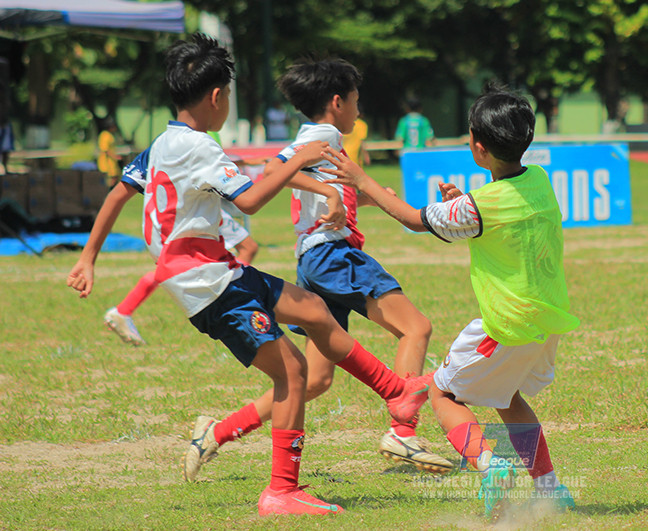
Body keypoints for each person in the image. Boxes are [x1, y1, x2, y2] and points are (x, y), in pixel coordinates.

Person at [90, 34, 431, 516]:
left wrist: (87, 259)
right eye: (228, 94)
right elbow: (249, 199)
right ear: (216, 97)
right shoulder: (203, 150)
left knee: (313, 311)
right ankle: (282, 492)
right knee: (294, 373)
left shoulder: (165, 144)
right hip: (208, 283)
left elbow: (128, 191)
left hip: (217, 269)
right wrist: (298, 160)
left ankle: (396, 392)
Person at [326, 85, 578, 518]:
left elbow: (412, 219)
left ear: (477, 147)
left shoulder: (479, 206)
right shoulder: (538, 181)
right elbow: (492, 217)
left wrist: (362, 181)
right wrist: (462, 204)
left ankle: (489, 464)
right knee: (507, 396)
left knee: (443, 394)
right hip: (545, 320)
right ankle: (550, 490)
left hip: (505, 326)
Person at [194, 56, 452, 477]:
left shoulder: (314, 135)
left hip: (314, 260)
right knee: (416, 327)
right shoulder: (326, 134)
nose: (358, 110)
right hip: (333, 255)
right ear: (337, 102)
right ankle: (403, 430)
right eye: (355, 101)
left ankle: (217, 432)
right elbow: (274, 170)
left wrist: (360, 197)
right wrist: (332, 195)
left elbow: (317, 183)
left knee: (314, 379)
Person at [68, 146, 260, 348]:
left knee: (173, 266)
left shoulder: (162, 146)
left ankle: (123, 311)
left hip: (167, 215)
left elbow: (118, 194)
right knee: (247, 247)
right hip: (193, 210)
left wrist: (87, 258)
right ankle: (236, 298)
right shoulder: (191, 142)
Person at [96, 118, 121, 188]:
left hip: (112, 161)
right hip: (107, 161)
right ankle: (107, 192)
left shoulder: (110, 135)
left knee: (115, 177)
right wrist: (115, 156)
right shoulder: (104, 135)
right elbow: (105, 149)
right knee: (111, 178)